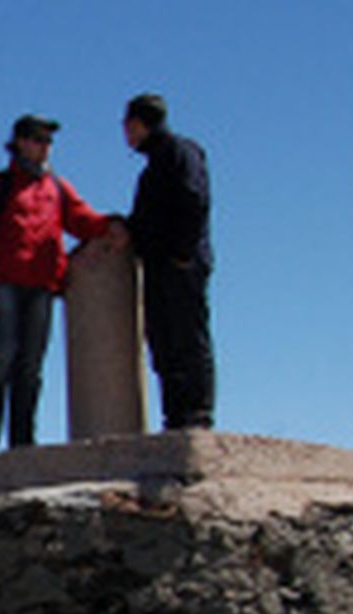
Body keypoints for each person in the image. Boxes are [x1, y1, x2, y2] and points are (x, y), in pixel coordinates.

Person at [0, 113, 117, 453]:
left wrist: (115, 225)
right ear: (19, 142)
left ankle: (22, 445)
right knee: (1, 362)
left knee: (31, 368)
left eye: (48, 141)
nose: (44, 147)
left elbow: (82, 220)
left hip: (43, 287)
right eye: (37, 139)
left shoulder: (57, 187)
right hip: (3, 285)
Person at [123, 92, 215, 430]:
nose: (126, 135)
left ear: (137, 124)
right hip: (157, 265)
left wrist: (181, 253)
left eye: (128, 126)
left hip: (181, 264)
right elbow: (146, 219)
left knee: (188, 339)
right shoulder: (151, 168)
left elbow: (194, 200)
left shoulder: (181, 152)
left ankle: (198, 416)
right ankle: (175, 417)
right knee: (162, 341)